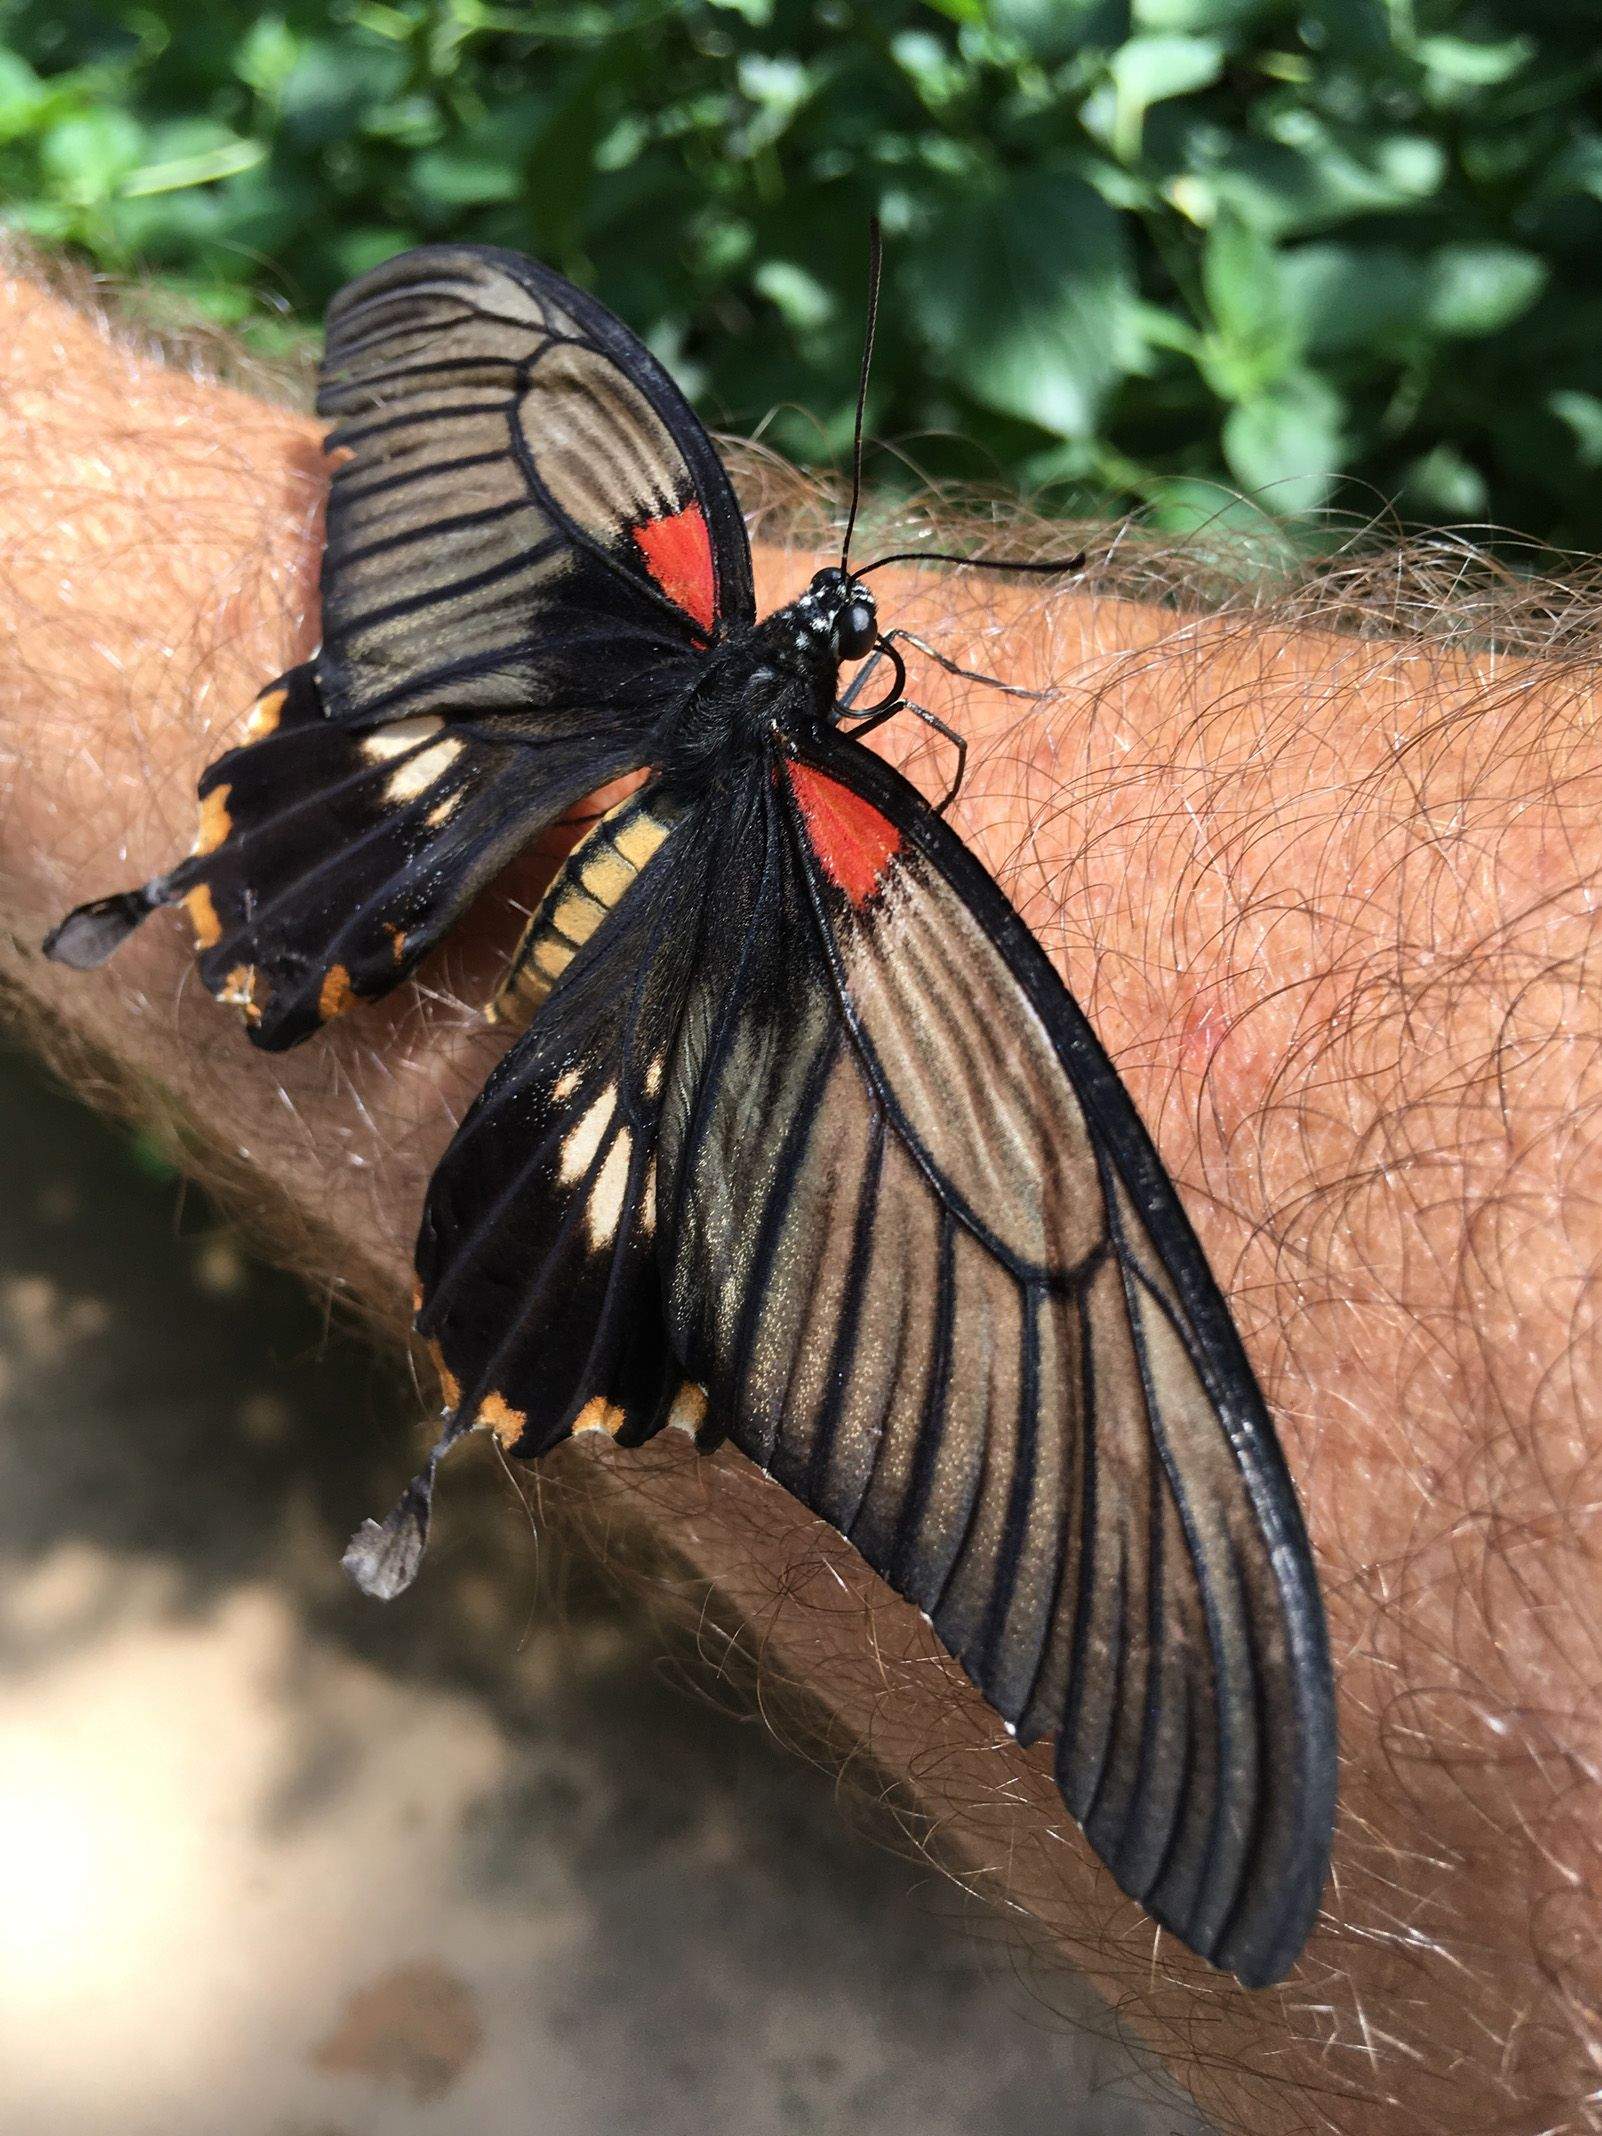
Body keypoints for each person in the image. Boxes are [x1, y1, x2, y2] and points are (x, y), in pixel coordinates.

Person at [2, 255, 1595, 2136]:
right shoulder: (864, 848)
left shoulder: (690, 608)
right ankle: (407, 1316)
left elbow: (530, 403)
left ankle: (176, 919)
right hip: (636, 953)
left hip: (491, 787)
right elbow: (479, 357)